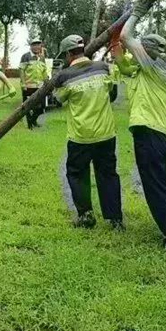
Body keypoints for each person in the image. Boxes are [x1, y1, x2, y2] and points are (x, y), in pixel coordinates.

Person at [115, 3, 166, 251]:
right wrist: (116, 50)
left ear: (147, 50)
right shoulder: (155, 70)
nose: (135, 51)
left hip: (150, 134)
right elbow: (124, 65)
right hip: (163, 137)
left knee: (155, 189)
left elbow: (126, 37)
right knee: (164, 186)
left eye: (139, 49)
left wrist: (136, 12)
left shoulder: (152, 64)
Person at [54, 35, 123, 230]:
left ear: (68, 54)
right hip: (106, 134)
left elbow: (58, 100)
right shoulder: (103, 68)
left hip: (80, 136)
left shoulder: (64, 76)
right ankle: (115, 219)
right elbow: (113, 94)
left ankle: (85, 216)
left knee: (77, 174)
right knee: (108, 174)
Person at [19, 39, 49, 129]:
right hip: (28, 86)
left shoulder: (42, 58)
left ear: (41, 47)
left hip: (40, 86)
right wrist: (23, 84)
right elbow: (21, 70)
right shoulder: (25, 56)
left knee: (42, 107)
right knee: (27, 107)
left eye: (38, 45)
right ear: (31, 46)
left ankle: (33, 120)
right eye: (34, 45)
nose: (36, 47)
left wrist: (46, 81)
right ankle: (30, 125)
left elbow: (44, 71)